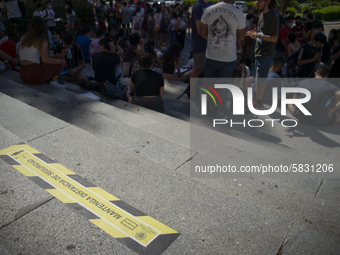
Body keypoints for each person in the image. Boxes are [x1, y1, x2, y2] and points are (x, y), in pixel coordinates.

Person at [246, 0, 279, 109]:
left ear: (268, 1)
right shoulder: (261, 15)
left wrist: (258, 36)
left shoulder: (273, 17)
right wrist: (255, 34)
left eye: (259, 0)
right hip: (259, 51)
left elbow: (274, 38)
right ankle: (258, 99)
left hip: (266, 52)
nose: (256, 2)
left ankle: (259, 102)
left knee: (261, 78)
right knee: (259, 77)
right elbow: (262, 34)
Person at [201, 0, 246, 78]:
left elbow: (202, 33)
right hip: (228, 56)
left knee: (208, 85)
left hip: (211, 54)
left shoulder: (208, 10)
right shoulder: (239, 13)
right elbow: (242, 37)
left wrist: (213, 38)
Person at [18, 16, 66, 87]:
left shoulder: (23, 38)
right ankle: (54, 82)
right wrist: (60, 61)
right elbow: (45, 60)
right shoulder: (41, 40)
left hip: (23, 75)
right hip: (35, 76)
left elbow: (18, 59)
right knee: (59, 56)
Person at [190, 0, 210, 90]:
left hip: (208, 44)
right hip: (199, 44)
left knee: (206, 70)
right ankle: (193, 94)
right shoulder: (198, 6)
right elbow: (199, 30)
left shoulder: (208, 4)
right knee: (197, 70)